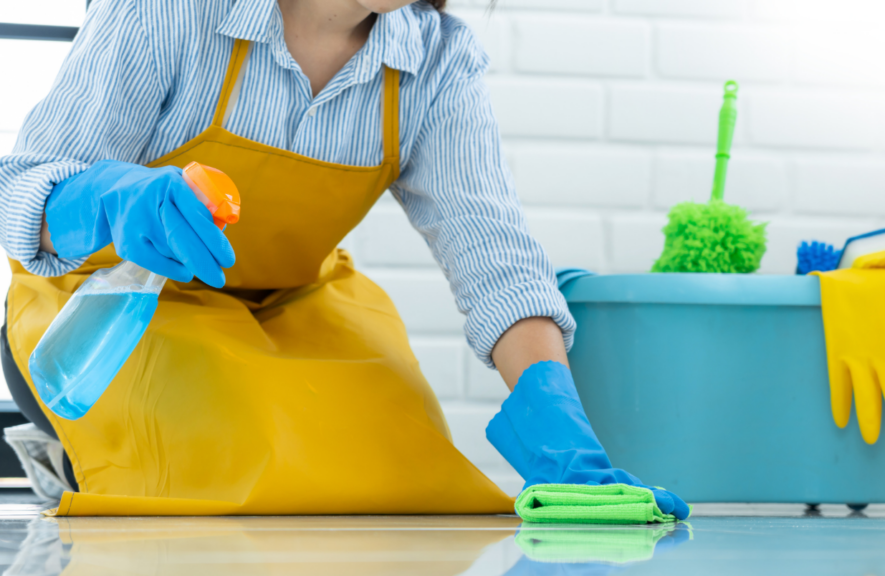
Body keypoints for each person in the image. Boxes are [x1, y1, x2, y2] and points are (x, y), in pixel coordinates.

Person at [0, 0, 688, 517]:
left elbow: (493, 252)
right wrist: (108, 200)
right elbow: (17, 188)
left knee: (408, 487)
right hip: (115, 306)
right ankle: (69, 458)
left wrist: (557, 421)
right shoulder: (172, 10)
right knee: (247, 470)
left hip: (292, 308)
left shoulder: (435, 58)